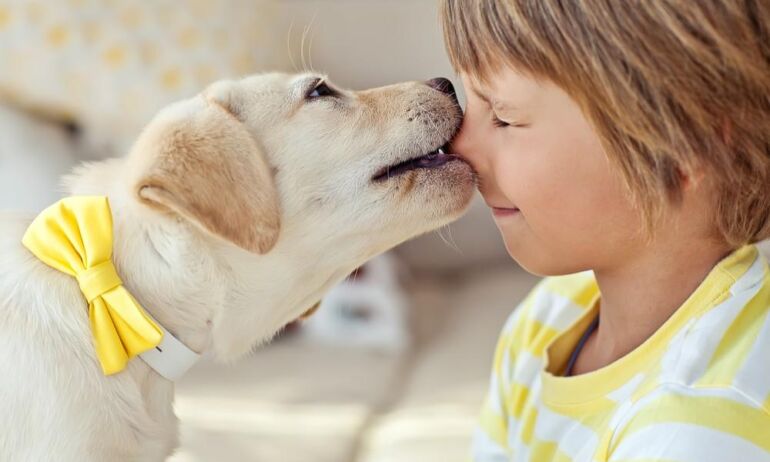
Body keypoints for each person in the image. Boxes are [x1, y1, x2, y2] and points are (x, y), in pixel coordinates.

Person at [440, 0, 770, 460]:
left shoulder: (700, 431)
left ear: (682, 143)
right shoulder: (547, 322)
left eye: (504, 117)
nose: (459, 144)